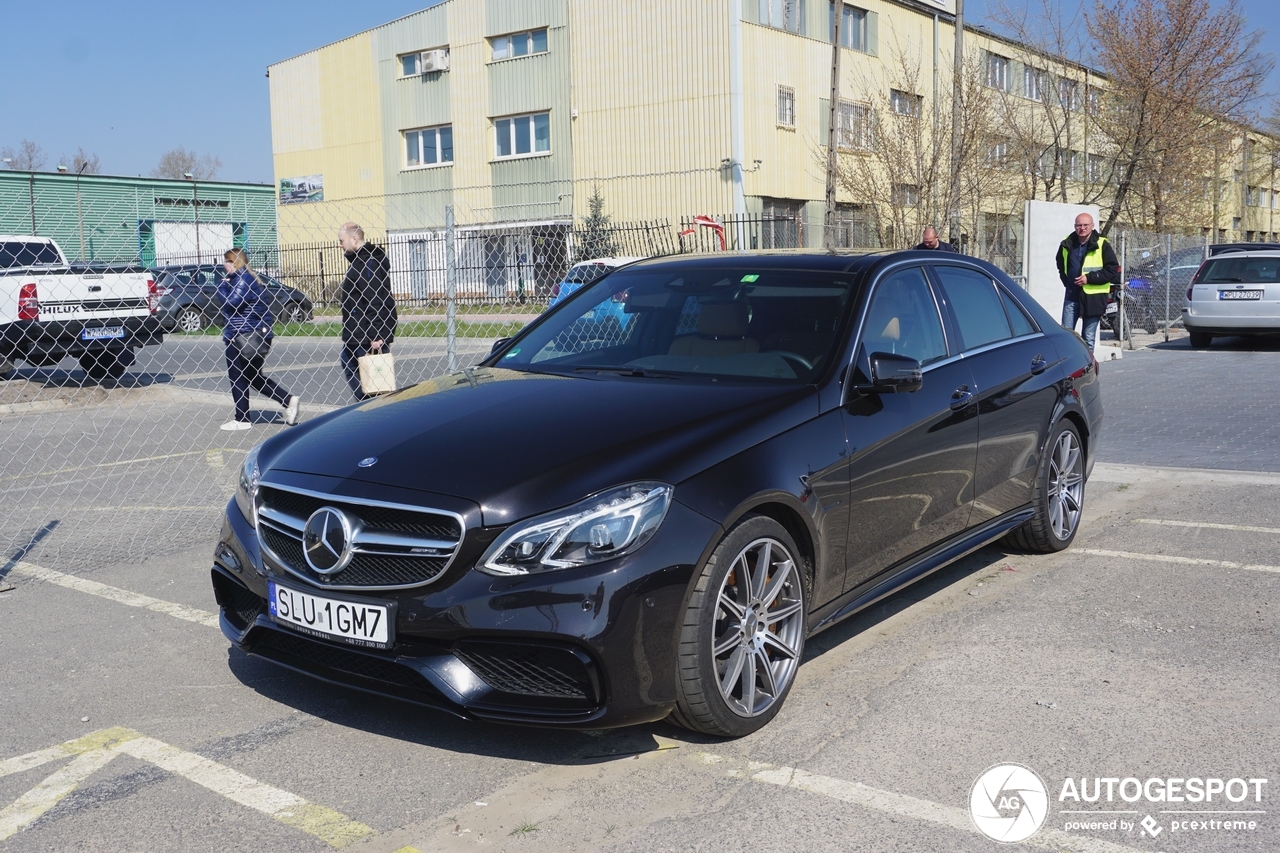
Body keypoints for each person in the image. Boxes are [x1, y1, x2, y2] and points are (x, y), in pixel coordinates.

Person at [217, 249, 300, 430]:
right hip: (251, 335)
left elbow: (232, 303)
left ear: (233, 262)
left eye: (226, 261)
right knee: (253, 377)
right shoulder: (246, 278)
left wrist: (222, 287)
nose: (223, 265)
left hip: (243, 336)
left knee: (237, 376)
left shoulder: (242, 279)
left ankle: (242, 419)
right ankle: (289, 400)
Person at [338, 222, 398, 401]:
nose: (339, 244)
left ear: (354, 238)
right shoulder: (362, 260)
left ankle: (369, 408)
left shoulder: (367, 263)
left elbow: (374, 299)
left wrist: (377, 334)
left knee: (372, 378)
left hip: (365, 332)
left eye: (342, 240)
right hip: (358, 329)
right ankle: (369, 407)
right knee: (353, 365)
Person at [1056, 213, 1120, 351]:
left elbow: (1112, 270)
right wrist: (1067, 282)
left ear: (1092, 226)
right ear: (1075, 226)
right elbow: (1060, 264)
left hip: (1093, 298)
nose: (1082, 228)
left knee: (1088, 338)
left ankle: (1088, 368)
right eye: (1079, 225)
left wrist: (1089, 278)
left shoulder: (1102, 244)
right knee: (1067, 336)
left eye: (1085, 225)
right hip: (1072, 296)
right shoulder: (1067, 243)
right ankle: (1070, 369)